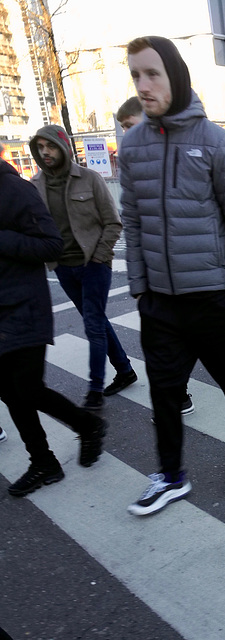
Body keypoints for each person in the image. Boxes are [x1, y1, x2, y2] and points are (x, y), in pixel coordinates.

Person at [119, 36, 225, 515]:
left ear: (175, 75)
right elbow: (132, 221)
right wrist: (140, 289)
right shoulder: (133, 145)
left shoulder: (217, 144)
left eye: (152, 73)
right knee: (163, 393)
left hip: (213, 298)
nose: (142, 84)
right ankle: (171, 475)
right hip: (160, 302)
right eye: (135, 74)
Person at [0, 144, 106, 497]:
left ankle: (87, 424)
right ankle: (43, 461)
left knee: (27, 389)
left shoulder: (13, 188)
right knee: (10, 393)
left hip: (23, 305)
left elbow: (49, 245)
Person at [29, 126, 137, 410]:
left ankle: (94, 390)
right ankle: (125, 370)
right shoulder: (35, 184)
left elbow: (113, 221)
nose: (45, 152)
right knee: (97, 320)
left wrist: (100, 257)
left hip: (93, 264)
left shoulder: (89, 179)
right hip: (63, 267)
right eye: (40, 147)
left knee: (92, 325)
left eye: (49, 146)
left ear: (62, 147)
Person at [115, 97, 195, 418]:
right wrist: (138, 280)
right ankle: (178, 393)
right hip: (158, 272)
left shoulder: (179, 150)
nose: (127, 135)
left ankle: (182, 390)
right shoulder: (134, 161)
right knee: (172, 340)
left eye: (130, 126)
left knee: (192, 336)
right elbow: (131, 219)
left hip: (192, 267)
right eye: (123, 129)